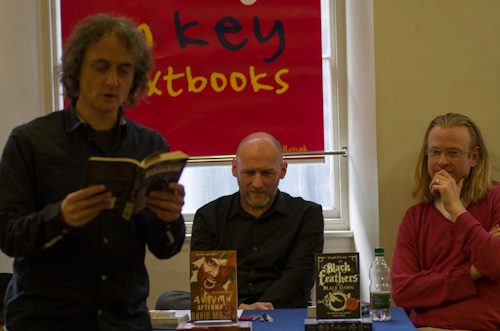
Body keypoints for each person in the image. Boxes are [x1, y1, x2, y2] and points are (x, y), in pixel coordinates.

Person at [0, 14, 186, 331]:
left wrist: (170, 220)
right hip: (45, 321)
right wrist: (61, 217)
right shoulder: (30, 141)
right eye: (101, 67)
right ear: (75, 70)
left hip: (124, 321)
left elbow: (165, 248)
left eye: (123, 70)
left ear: (135, 78)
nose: (112, 81)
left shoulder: (151, 145)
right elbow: (7, 235)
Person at [157, 132, 324, 310]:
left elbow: (299, 277)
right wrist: (239, 308)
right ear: (235, 169)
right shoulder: (208, 216)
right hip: (226, 307)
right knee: (167, 300)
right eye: (249, 173)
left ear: (283, 171)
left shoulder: (307, 215)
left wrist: (261, 307)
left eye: (266, 173)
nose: (257, 183)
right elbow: (207, 282)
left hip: (280, 307)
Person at [391, 113, 500, 330]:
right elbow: (402, 291)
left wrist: (457, 210)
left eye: (453, 153)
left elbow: (496, 264)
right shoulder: (415, 217)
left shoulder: (496, 200)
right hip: (425, 328)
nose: (442, 161)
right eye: (435, 152)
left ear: (474, 157)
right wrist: (472, 273)